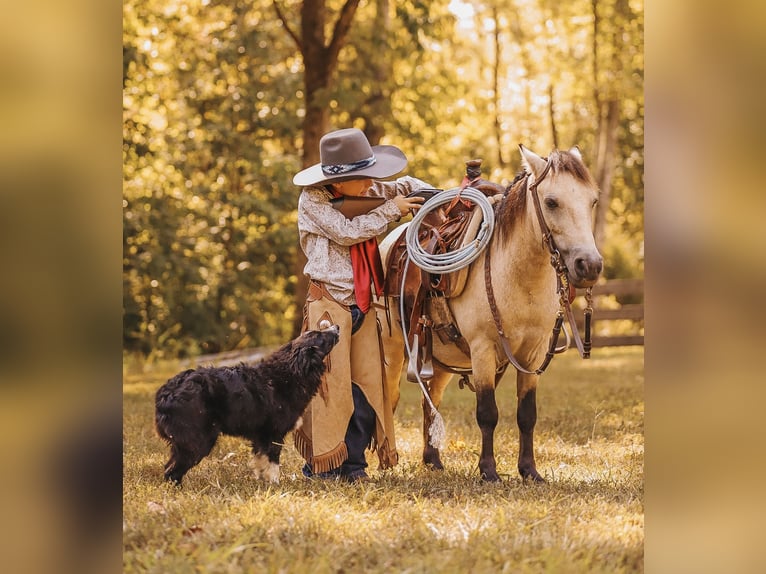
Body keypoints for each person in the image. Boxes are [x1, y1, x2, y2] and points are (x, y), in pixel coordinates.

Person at [292, 127, 432, 482]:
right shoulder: (313, 200)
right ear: (342, 182)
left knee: (365, 389)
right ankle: (322, 467)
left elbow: (403, 187)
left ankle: (354, 466)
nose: (373, 184)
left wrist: (430, 193)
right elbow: (346, 231)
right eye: (365, 179)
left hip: (363, 304)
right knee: (328, 392)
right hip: (330, 305)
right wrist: (391, 211)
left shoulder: (367, 191)